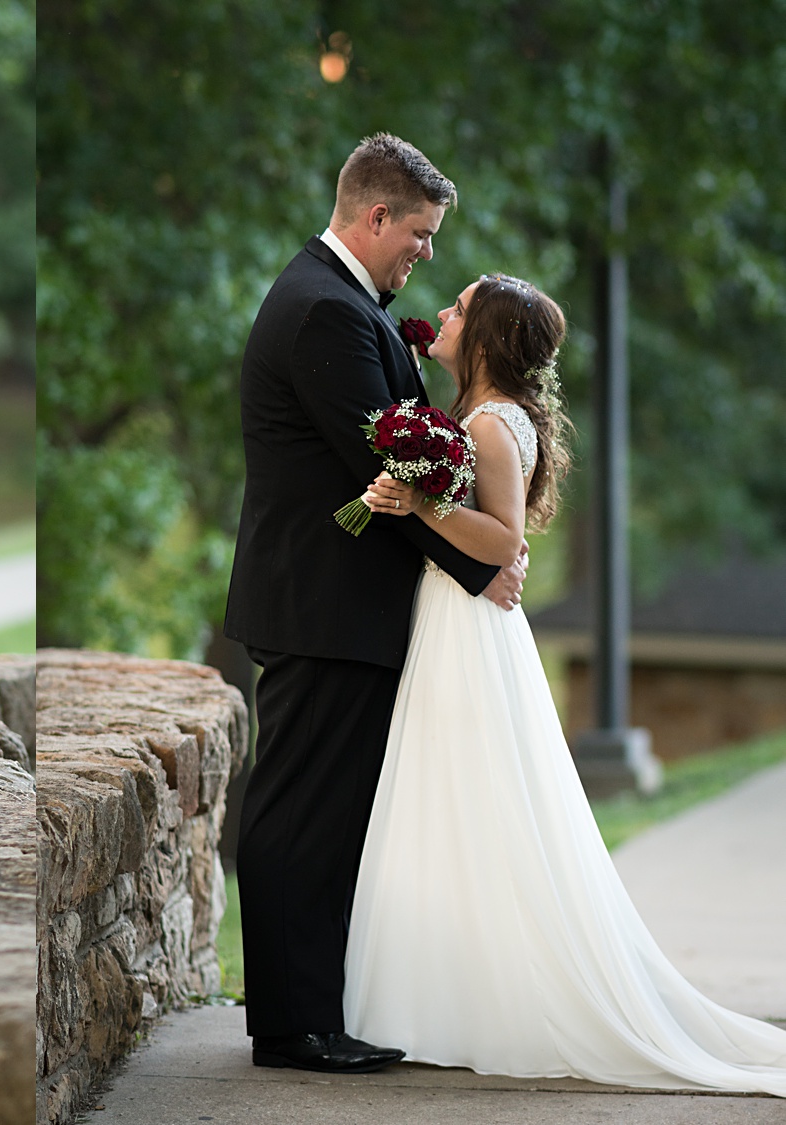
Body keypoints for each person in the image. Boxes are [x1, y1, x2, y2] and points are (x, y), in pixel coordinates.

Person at [346, 274, 786, 1094]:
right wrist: (417, 499)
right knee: (452, 802)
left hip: (471, 632)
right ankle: (443, 996)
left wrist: (416, 500)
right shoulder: (483, 418)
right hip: (460, 619)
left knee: (471, 799)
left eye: (459, 309)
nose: (440, 314)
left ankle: (470, 1002)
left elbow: (502, 542)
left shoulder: (490, 425)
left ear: (484, 337)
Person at [222, 133, 527, 1074]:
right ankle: (293, 1026)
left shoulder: (347, 302)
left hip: (337, 607)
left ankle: (312, 1011)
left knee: (326, 811)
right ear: (376, 215)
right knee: (299, 813)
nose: (426, 253)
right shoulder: (325, 313)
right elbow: (383, 473)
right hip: (323, 606)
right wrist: (487, 568)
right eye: (423, 234)